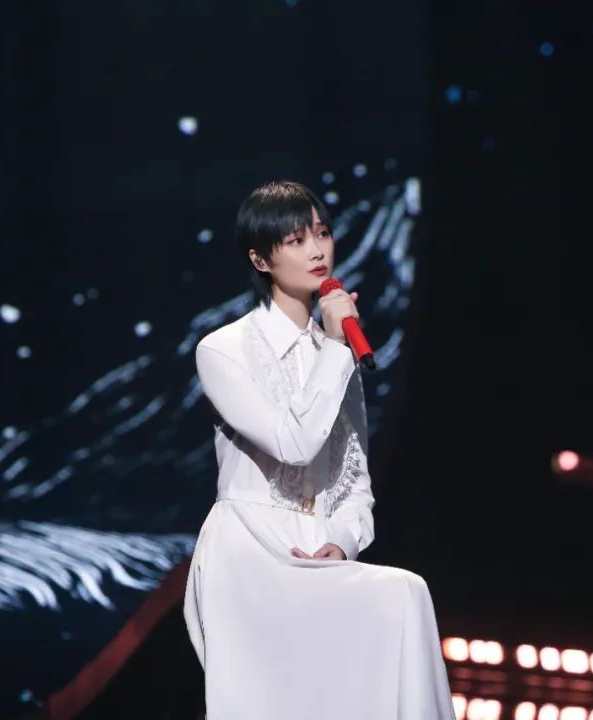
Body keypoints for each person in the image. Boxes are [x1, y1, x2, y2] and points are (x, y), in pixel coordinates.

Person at [183, 180, 456, 719]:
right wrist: (335, 345)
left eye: (322, 233)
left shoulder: (337, 356)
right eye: (295, 239)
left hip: (318, 557)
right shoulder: (223, 350)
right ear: (261, 259)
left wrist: (342, 541)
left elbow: (354, 481)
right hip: (251, 555)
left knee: (404, 595)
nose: (316, 250)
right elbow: (294, 444)